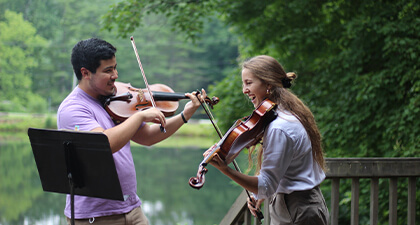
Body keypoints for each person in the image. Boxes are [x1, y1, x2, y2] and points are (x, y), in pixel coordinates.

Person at [57, 38, 204, 225]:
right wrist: (139, 117)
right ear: (85, 73)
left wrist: (185, 115)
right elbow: (104, 144)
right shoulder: (73, 108)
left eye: (115, 68)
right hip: (95, 216)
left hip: (132, 209)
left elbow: (148, 137)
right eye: (108, 70)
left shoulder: (114, 101)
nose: (116, 75)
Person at [204, 55, 329, 225]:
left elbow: (267, 185)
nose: (244, 90)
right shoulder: (287, 114)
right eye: (243, 83)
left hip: (297, 210)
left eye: (249, 83)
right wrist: (258, 195)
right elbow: (281, 171)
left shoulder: (279, 127)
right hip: (299, 205)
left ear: (268, 84)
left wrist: (226, 170)